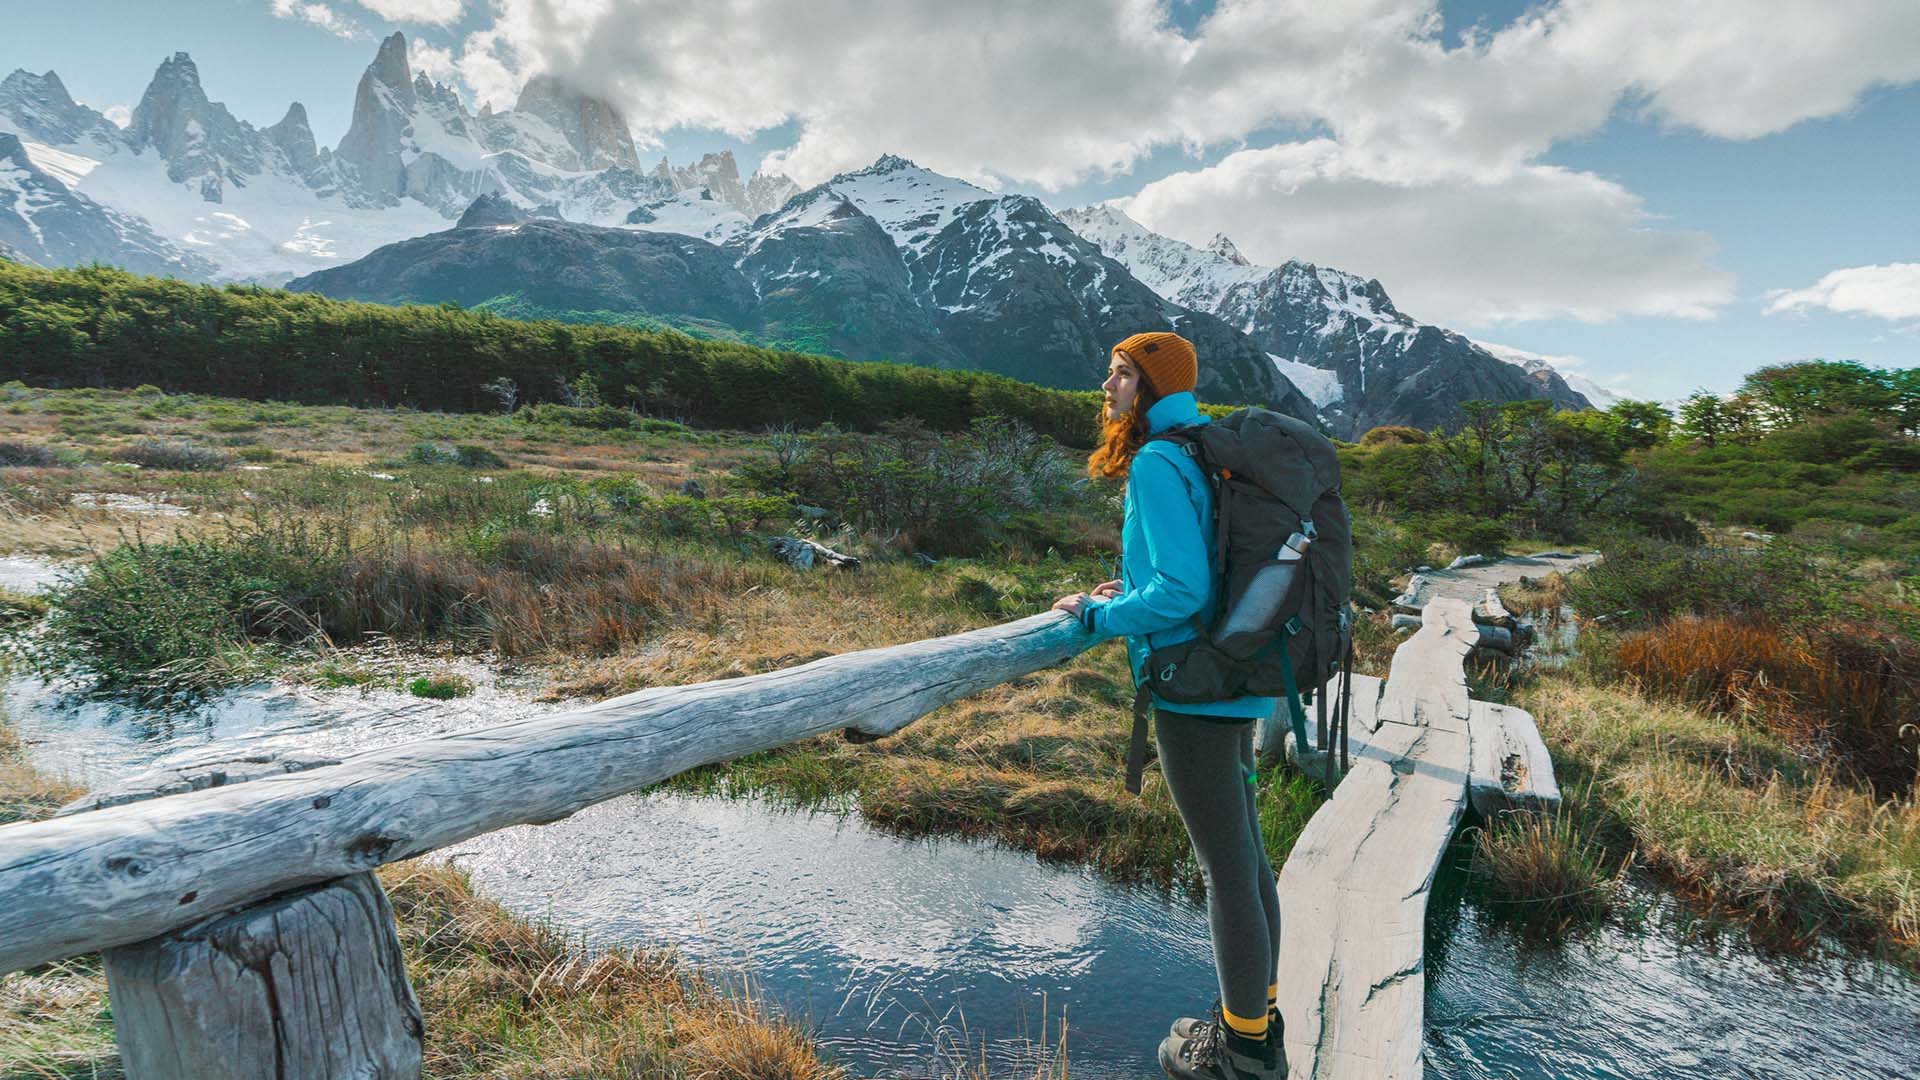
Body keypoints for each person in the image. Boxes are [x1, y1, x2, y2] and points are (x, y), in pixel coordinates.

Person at [1053, 331, 1285, 1080]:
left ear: (1150, 385)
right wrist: (1133, 589)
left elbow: (1183, 591)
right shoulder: (1198, 446)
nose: (1107, 385)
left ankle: (1245, 1051)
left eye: (1120, 373)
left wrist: (1096, 615)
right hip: (1232, 670)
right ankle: (1258, 1021)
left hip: (1192, 686)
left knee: (1226, 869)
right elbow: (1195, 571)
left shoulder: (1157, 459)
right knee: (1248, 863)